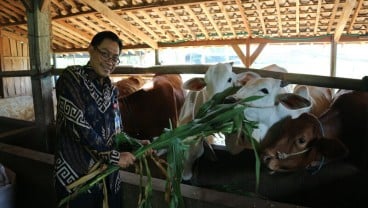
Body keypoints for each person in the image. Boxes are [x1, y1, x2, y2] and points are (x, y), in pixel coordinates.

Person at [53, 31, 139, 208]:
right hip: (77, 178)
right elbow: (78, 126)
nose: (110, 62)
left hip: (109, 177)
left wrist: (137, 144)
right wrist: (114, 157)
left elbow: (118, 132)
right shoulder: (72, 78)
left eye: (115, 58)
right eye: (105, 53)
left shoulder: (112, 90)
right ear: (91, 49)